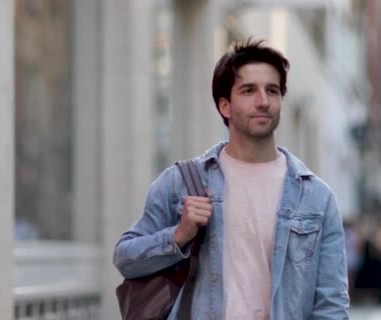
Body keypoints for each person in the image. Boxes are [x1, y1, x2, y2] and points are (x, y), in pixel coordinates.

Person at [113, 38, 349, 319]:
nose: (263, 101)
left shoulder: (316, 198)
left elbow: (331, 305)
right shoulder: (180, 183)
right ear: (225, 106)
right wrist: (179, 236)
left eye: (272, 91)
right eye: (249, 90)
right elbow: (125, 259)